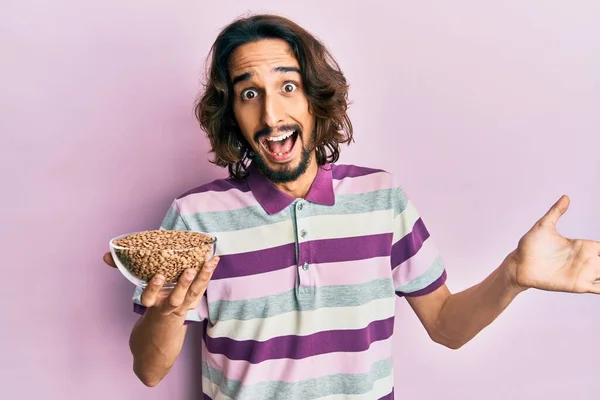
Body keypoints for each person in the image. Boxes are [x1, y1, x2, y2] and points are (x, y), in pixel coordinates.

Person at [103, 13, 600, 400]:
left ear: (317, 100)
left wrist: (513, 273)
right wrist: (168, 313)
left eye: (288, 86)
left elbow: (447, 326)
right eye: (249, 94)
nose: (272, 113)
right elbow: (149, 371)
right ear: (232, 113)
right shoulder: (196, 218)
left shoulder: (382, 200)